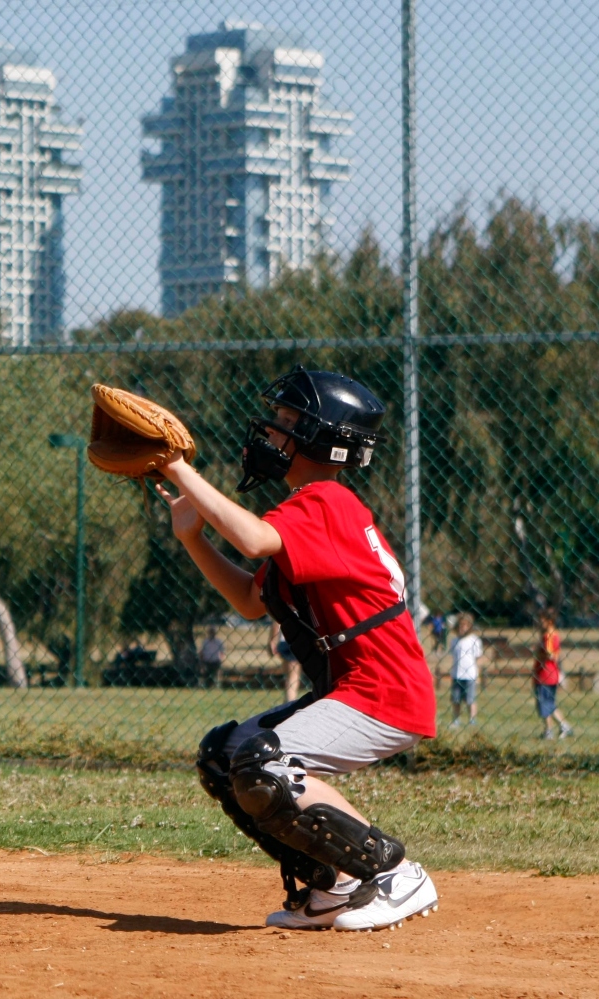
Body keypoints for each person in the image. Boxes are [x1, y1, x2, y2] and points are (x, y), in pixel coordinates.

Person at [155, 366, 438, 932]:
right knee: (224, 755)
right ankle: (332, 886)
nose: (273, 433)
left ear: (320, 438)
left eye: (287, 422)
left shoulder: (326, 502)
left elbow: (255, 538)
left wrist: (180, 470)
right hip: (353, 691)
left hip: (383, 695)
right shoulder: (308, 514)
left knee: (263, 762)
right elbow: (250, 601)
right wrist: (193, 537)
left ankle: (394, 873)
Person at [534, 609, 574, 739]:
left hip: (546, 674)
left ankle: (557, 727)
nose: (539, 622)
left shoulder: (549, 636)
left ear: (549, 621)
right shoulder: (552, 635)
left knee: (545, 703)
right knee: (547, 703)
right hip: (548, 674)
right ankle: (552, 728)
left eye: (542, 620)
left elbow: (550, 654)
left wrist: (541, 652)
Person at [447, 613, 485, 728]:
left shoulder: (474, 640)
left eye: (465, 625)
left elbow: (479, 658)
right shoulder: (454, 641)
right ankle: (456, 719)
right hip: (457, 675)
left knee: (470, 699)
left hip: (470, 675)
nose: (462, 628)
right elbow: (453, 656)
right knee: (456, 699)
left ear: (469, 626)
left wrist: (478, 674)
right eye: (460, 625)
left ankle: (472, 719)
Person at [269, 622, 301, 702]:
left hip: (286, 640)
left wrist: (272, 640)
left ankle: (288, 705)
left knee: (291, 678)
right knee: (293, 678)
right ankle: (289, 704)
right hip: (294, 639)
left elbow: (276, 620)